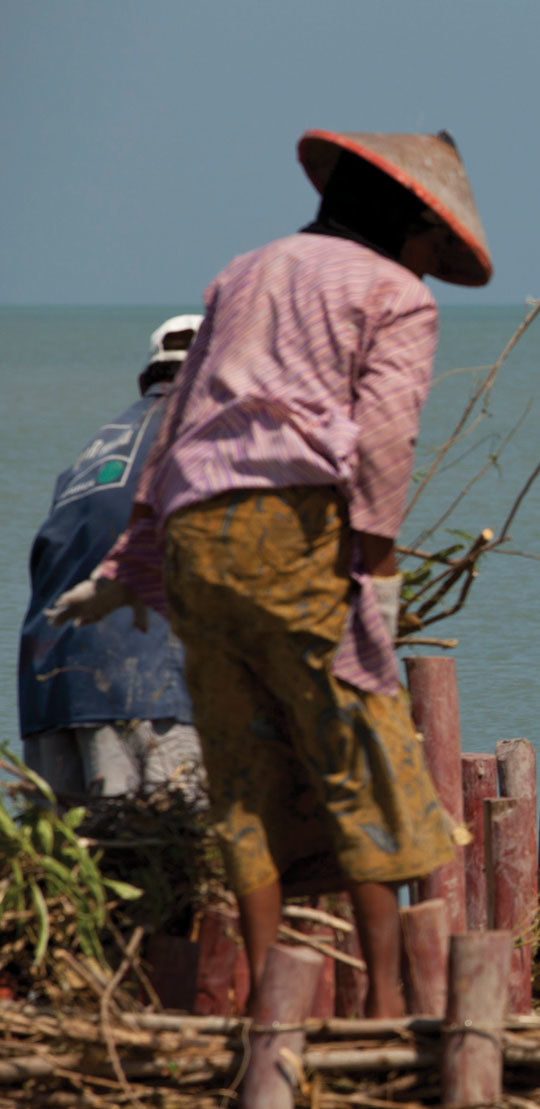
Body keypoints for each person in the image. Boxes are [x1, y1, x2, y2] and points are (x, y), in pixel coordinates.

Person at [50, 129, 493, 1018]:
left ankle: (269, 1005)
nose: (427, 266)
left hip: (195, 543)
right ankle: (387, 1004)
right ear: (412, 226)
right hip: (293, 532)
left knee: (242, 777)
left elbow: (178, 428)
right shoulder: (394, 294)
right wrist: (374, 571)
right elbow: (381, 441)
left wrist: (131, 562)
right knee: (358, 755)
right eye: (428, 248)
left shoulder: (244, 271)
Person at [19, 317, 205, 803]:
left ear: (147, 381)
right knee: (179, 856)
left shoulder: (96, 449)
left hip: (51, 695)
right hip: (150, 689)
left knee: (79, 866)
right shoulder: (206, 436)